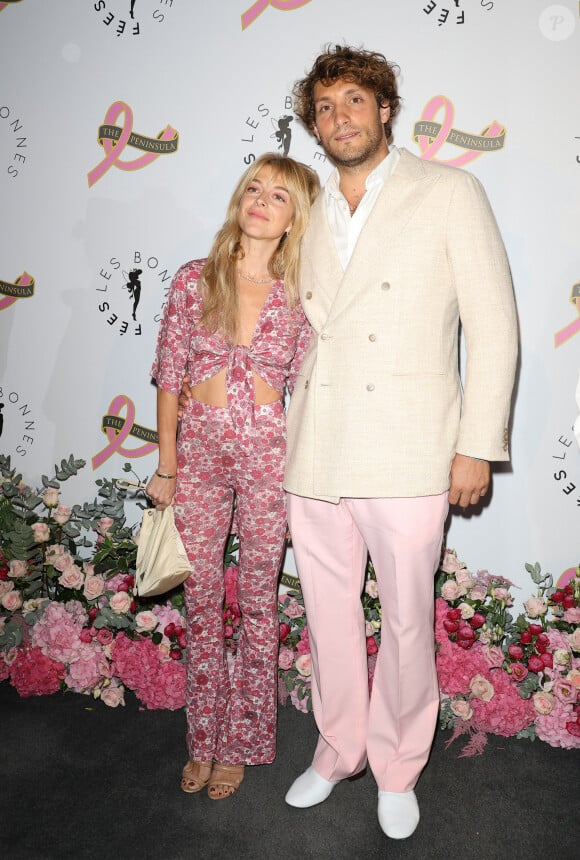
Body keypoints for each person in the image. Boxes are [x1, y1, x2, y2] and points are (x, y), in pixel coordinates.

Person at [281, 45, 518, 839]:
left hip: (412, 446)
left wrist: (477, 444)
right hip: (317, 445)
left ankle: (397, 764)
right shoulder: (306, 208)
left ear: (386, 109)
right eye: (323, 107)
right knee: (328, 615)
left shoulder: (450, 190)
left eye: (354, 100)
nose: (339, 116)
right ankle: (338, 748)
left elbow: (493, 327)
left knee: (408, 619)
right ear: (312, 124)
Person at [147, 153, 320, 800]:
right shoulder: (195, 280)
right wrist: (166, 463)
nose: (261, 200)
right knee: (199, 600)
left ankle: (242, 742)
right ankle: (202, 740)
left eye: (279, 196)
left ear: (294, 219)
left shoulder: (301, 296)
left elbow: (309, 389)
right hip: (198, 454)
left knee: (255, 602)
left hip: (269, 458)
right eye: (254, 188)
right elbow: (169, 375)